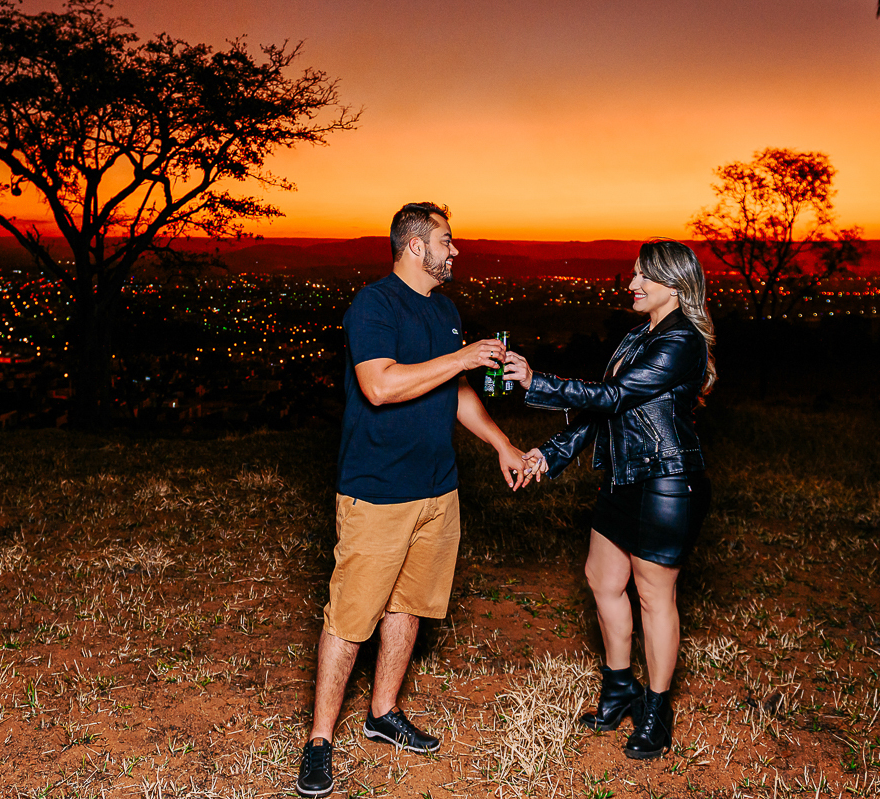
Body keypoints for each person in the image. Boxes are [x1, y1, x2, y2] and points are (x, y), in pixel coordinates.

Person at [296, 202, 533, 797]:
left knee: (409, 607)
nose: (455, 251)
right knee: (351, 618)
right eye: (446, 241)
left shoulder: (445, 310)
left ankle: (383, 714)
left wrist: (502, 444)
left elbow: (454, 393)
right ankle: (320, 741)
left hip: (438, 491)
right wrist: (462, 356)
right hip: (378, 492)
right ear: (415, 246)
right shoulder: (374, 304)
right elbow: (379, 385)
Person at [505, 238, 715, 760]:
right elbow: (605, 413)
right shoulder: (636, 336)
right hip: (625, 479)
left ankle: (657, 710)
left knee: (653, 596)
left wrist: (538, 381)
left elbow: (616, 397)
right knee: (602, 580)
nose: (632, 284)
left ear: (675, 283)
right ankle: (621, 688)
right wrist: (548, 455)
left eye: (643, 276)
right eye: (633, 274)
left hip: (666, 482)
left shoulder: (683, 339)